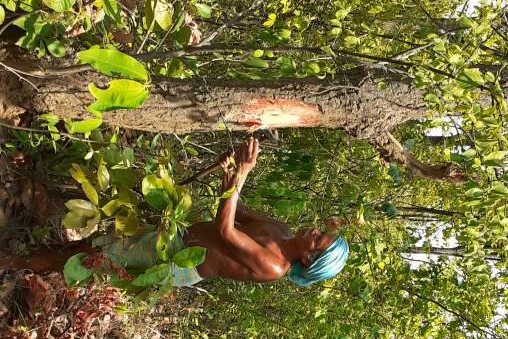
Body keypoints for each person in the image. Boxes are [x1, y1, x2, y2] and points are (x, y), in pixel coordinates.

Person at [5, 139, 349, 287]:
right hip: (176, 232)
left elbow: (226, 232)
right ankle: (24, 256)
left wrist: (242, 176)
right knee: (96, 245)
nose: (314, 231)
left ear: (308, 259)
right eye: (321, 231)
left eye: (318, 239)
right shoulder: (281, 229)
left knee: (91, 258)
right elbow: (238, 210)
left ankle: (13, 262)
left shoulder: (274, 266)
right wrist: (229, 175)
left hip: (175, 261)